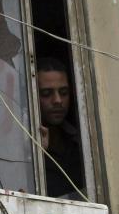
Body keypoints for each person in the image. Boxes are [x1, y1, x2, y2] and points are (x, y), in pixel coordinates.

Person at [36, 58, 85, 199]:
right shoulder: (25, 150)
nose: (57, 100)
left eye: (63, 93)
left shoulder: (82, 142)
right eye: (46, 94)